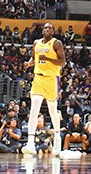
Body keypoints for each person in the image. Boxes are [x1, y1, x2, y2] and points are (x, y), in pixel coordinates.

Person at [21, 22, 66, 156]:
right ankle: (30, 143)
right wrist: (29, 63)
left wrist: (48, 59)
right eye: (45, 28)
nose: (47, 29)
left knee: (53, 111)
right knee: (34, 109)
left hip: (52, 79)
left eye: (50, 28)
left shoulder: (56, 43)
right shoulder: (36, 43)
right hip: (38, 78)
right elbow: (35, 58)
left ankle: (57, 139)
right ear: (42, 31)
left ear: (53, 31)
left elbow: (62, 62)